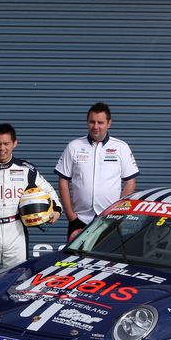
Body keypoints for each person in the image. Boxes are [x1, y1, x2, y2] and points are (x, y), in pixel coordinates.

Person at [0, 123, 61, 279]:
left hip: (16, 230)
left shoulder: (26, 169)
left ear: (15, 143)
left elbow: (48, 189)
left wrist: (57, 209)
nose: (2, 148)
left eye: (6, 143)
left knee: (16, 280)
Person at [55, 102, 139, 238]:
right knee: (75, 259)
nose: (96, 127)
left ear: (109, 123)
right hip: (80, 220)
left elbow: (130, 181)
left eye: (100, 122)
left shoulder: (121, 147)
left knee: (110, 259)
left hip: (110, 220)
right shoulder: (74, 146)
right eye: (92, 122)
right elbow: (63, 180)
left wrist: (118, 213)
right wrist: (71, 216)